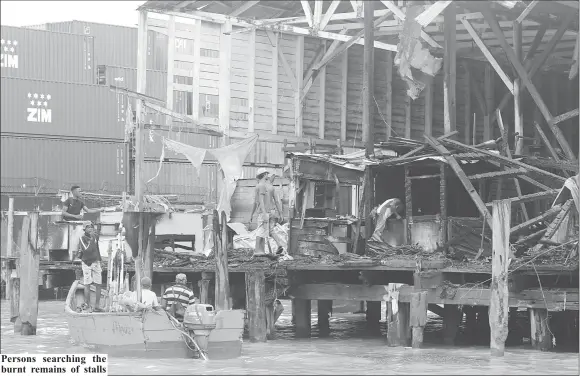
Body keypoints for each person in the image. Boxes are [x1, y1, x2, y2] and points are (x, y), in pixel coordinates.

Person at [250, 168, 285, 256]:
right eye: (267, 174)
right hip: (272, 212)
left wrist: (252, 214)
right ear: (265, 174)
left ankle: (258, 251)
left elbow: (257, 202)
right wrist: (280, 213)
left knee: (260, 231)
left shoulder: (259, 186)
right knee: (270, 231)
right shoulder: (271, 187)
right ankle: (279, 244)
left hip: (264, 212)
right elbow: (277, 201)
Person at [77, 223, 103, 312]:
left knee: (98, 284)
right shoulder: (82, 238)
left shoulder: (95, 236)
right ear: (85, 229)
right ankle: (87, 305)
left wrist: (98, 230)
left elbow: (97, 236)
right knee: (87, 284)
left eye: (92, 227)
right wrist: (92, 239)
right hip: (87, 263)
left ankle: (97, 306)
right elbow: (86, 250)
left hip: (96, 262)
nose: (91, 228)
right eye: (88, 227)